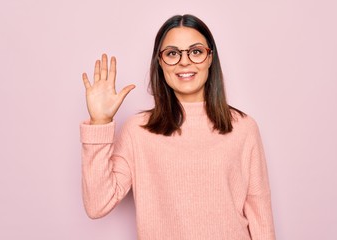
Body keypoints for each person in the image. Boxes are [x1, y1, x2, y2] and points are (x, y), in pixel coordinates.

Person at [80, 14, 276, 240]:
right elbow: (97, 204)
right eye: (172, 53)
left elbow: (261, 217)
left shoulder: (243, 128)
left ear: (210, 58)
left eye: (196, 51)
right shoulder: (138, 131)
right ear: (160, 62)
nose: (185, 61)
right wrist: (100, 122)